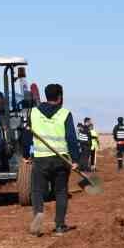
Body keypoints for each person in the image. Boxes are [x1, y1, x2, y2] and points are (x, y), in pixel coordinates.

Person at [26, 83, 85, 236]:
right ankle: (59, 226)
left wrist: (27, 154)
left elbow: (26, 135)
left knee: (37, 191)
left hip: (40, 159)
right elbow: (72, 138)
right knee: (60, 192)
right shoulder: (65, 114)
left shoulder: (33, 112)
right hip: (61, 159)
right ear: (59, 97)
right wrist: (76, 160)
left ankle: (38, 214)